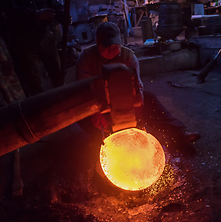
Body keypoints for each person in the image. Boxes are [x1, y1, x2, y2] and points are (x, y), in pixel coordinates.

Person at [76, 21, 200, 153]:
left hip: (123, 99)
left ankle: (178, 134)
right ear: (97, 43)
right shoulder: (85, 58)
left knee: (149, 98)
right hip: (97, 103)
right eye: (107, 46)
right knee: (81, 114)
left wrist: (138, 109)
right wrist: (96, 114)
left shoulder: (129, 56)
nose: (112, 49)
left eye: (115, 45)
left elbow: (137, 87)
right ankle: (106, 148)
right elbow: (86, 92)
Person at [3, 0, 66, 97]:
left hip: (45, 37)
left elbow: (54, 4)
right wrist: (35, 14)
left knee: (58, 75)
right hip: (24, 42)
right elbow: (12, 11)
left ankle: (66, 101)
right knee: (35, 82)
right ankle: (43, 108)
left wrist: (62, 16)